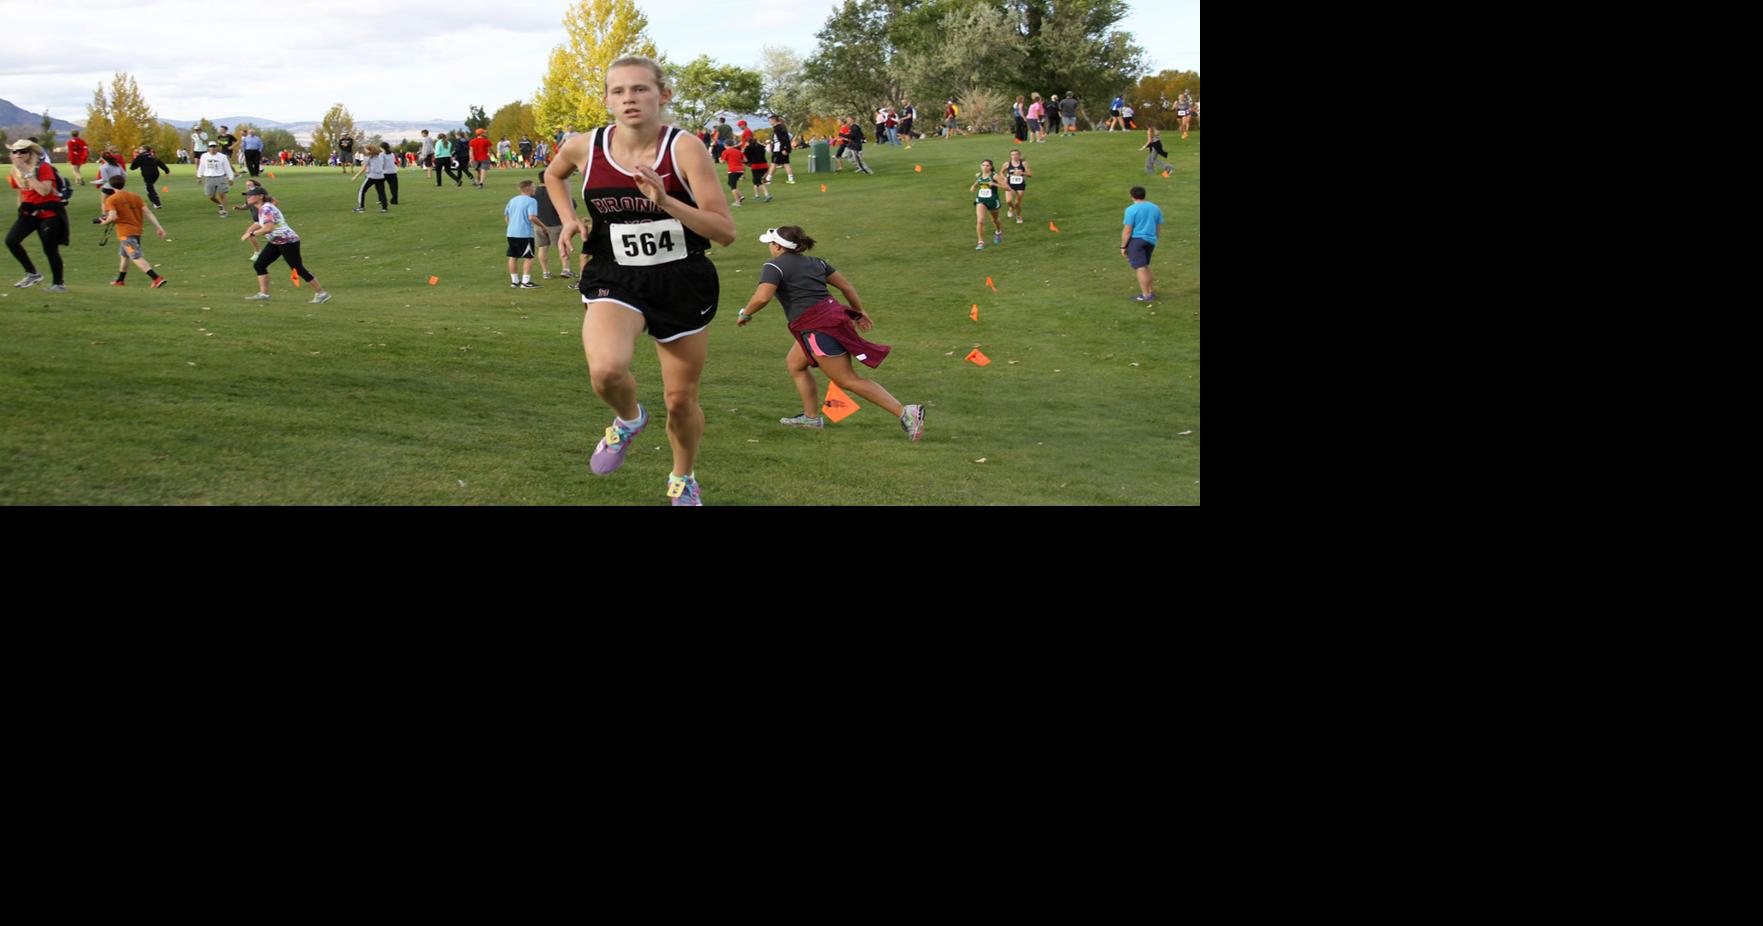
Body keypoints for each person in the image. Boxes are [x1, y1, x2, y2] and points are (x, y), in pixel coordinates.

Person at [542, 55, 736, 506]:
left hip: (680, 279)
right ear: (608, 100)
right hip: (614, 273)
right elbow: (553, 175)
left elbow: (724, 232)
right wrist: (569, 219)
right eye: (618, 91)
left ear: (662, 95)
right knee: (606, 370)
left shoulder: (684, 149)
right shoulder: (583, 146)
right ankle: (628, 420)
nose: (629, 98)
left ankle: (683, 477)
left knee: (680, 401)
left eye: (641, 89)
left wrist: (666, 200)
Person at [735, 225, 924, 441]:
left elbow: (762, 297)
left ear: (778, 246)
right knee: (795, 364)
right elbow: (846, 287)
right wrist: (859, 311)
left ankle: (905, 412)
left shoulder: (774, 266)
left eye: (771, 243)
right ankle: (811, 418)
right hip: (832, 318)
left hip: (818, 327)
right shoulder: (817, 262)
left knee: (847, 380)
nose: (770, 247)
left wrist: (746, 314)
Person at [240, 186, 330, 303]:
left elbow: (268, 228)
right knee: (259, 265)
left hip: (288, 241)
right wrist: (249, 231)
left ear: (261, 196)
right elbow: (263, 224)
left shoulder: (266, 208)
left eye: (251, 195)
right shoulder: (263, 208)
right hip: (276, 241)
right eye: (247, 195)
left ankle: (321, 293)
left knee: (297, 268)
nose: (248, 197)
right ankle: (264, 294)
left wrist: (251, 234)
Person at [7, 140, 69, 292]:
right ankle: (32, 273)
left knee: (50, 249)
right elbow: (20, 192)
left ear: (31, 153)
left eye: (22, 151)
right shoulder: (14, 171)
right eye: (15, 152)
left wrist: (26, 172)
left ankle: (58, 284)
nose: (18, 155)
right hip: (29, 211)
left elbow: (44, 191)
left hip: (49, 212)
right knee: (11, 241)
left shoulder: (43, 168)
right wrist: (20, 211)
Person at [98, 174, 168, 288]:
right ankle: (120, 280)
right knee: (124, 256)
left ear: (110, 186)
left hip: (125, 233)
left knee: (136, 256)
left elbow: (112, 216)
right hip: (137, 230)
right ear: (124, 183)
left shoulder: (111, 199)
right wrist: (159, 227)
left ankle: (156, 278)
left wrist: (104, 222)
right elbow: (147, 212)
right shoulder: (135, 196)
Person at [1120, 185, 1162, 302]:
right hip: (1151, 240)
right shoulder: (1155, 208)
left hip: (1137, 241)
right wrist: (1155, 239)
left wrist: (1123, 246)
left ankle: (1145, 296)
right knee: (1145, 266)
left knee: (1140, 267)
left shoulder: (1131, 210)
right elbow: (1158, 226)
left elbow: (1128, 230)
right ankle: (1149, 292)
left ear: (1132, 196)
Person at [531, 169, 574, 281]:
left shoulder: (533, 193)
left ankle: (546, 272)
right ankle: (566, 269)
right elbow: (571, 205)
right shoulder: (555, 190)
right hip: (555, 223)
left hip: (539, 224)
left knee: (543, 248)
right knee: (562, 247)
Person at [503, 179, 540, 288]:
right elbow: (532, 217)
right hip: (525, 233)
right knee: (528, 257)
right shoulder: (532, 201)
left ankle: (514, 282)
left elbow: (506, 216)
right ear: (528, 189)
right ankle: (526, 282)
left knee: (513, 256)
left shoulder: (513, 200)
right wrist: (542, 226)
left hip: (511, 233)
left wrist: (511, 226)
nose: (535, 189)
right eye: (534, 187)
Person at [969, 159, 1004, 249]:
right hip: (981, 200)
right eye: (983, 165)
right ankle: (980, 242)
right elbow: (978, 181)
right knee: (980, 220)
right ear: (981, 166)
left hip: (993, 201)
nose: (985, 167)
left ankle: (998, 232)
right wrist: (973, 186)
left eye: (987, 165)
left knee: (995, 220)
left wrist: (994, 184)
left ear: (991, 167)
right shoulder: (979, 174)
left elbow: (1007, 187)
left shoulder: (995, 176)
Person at [196, 140, 235, 217]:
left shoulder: (222, 156)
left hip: (220, 177)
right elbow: (202, 166)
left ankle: (224, 211)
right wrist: (199, 176)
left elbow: (227, 168)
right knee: (211, 196)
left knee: (222, 194)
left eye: (214, 146)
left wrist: (230, 178)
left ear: (217, 148)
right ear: (208, 148)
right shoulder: (204, 156)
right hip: (209, 178)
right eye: (211, 147)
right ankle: (220, 204)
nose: (213, 148)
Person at [351, 143, 390, 212]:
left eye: (365, 150)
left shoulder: (367, 157)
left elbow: (363, 169)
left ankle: (361, 207)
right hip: (381, 177)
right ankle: (384, 208)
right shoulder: (379, 156)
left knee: (361, 190)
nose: (365, 151)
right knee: (382, 192)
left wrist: (355, 176)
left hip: (372, 177)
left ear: (369, 150)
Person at [1002, 148, 1031, 224]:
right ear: (1010, 156)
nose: (1014, 156)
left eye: (1016, 154)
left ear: (1019, 155)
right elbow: (1001, 172)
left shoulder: (1024, 163)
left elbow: (1030, 174)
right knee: (1008, 201)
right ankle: (1011, 208)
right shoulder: (1007, 164)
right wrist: (1005, 178)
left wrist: (1022, 173)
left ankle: (1018, 216)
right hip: (1010, 184)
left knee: (1017, 203)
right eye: (1012, 155)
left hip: (1020, 185)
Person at [767, 114, 796, 184]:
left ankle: (768, 179)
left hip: (779, 149)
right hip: (781, 148)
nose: (769, 122)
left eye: (770, 121)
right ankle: (791, 178)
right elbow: (787, 138)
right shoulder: (781, 127)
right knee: (786, 163)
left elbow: (783, 139)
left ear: (774, 120)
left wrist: (784, 149)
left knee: (774, 164)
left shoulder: (778, 128)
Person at [720, 137, 747, 206]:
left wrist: (720, 159)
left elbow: (722, 162)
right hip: (741, 170)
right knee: (731, 183)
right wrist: (737, 160)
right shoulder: (738, 151)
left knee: (733, 186)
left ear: (726, 145)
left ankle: (737, 202)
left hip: (733, 170)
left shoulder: (725, 151)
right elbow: (745, 160)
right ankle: (741, 196)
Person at [745, 134, 772, 202]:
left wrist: (747, 164)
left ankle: (767, 194)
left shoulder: (748, 148)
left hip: (756, 166)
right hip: (764, 165)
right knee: (755, 180)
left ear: (748, 142)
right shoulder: (761, 146)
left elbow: (746, 158)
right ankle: (757, 195)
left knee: (758, 181)